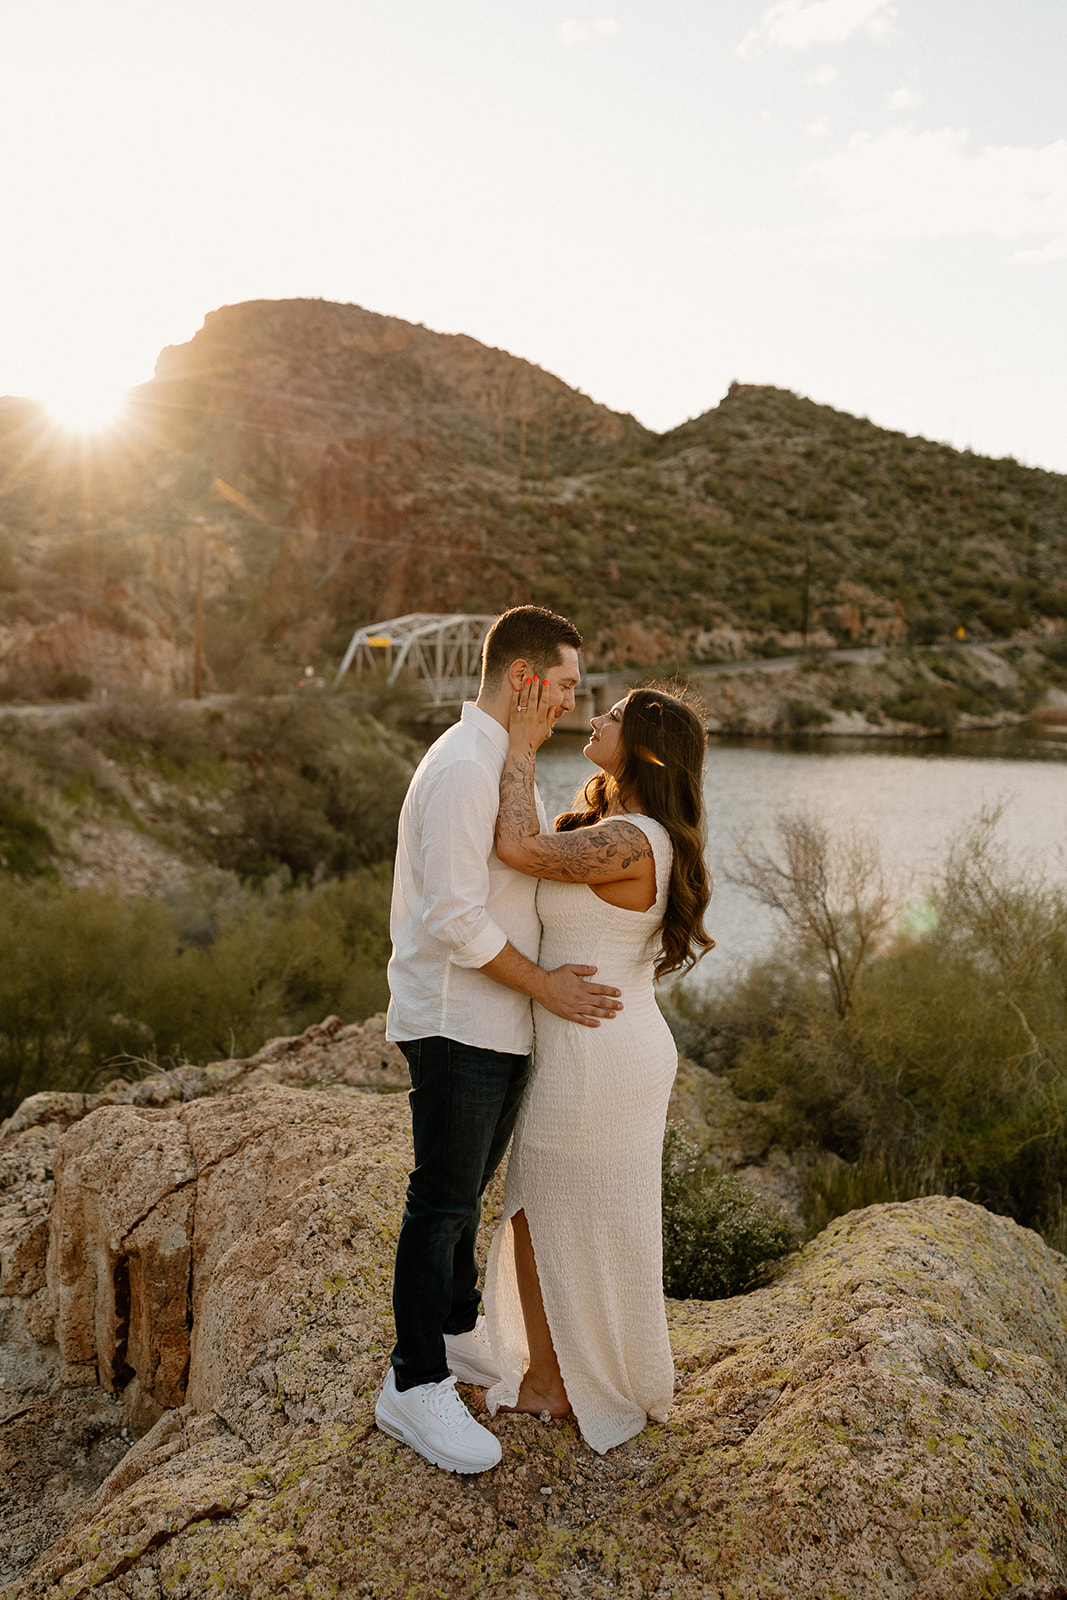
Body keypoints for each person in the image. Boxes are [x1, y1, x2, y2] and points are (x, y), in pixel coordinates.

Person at [374, 605, 624, 1475]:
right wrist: (548, 985)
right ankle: (412, 1385)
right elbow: (450, 918)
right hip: (456, 1019)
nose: (566, 702)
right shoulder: (461, 765)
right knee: (440, 1199)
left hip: (496, 1022)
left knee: (464, 1194)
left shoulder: (499, 759)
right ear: (523, 678)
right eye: (560, 685)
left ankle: (454, 1339)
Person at [481, 677, 714, 1453]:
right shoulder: (615, 824)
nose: (595, 718)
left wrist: (516, 741)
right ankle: (574, 1372)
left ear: (645, 747)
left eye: (612, 716)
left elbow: (517, 848)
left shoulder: (639, 838)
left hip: (601, 1051)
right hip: (591, 1041)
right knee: (552, 1209)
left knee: (543, 1208)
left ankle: (554, 1386)